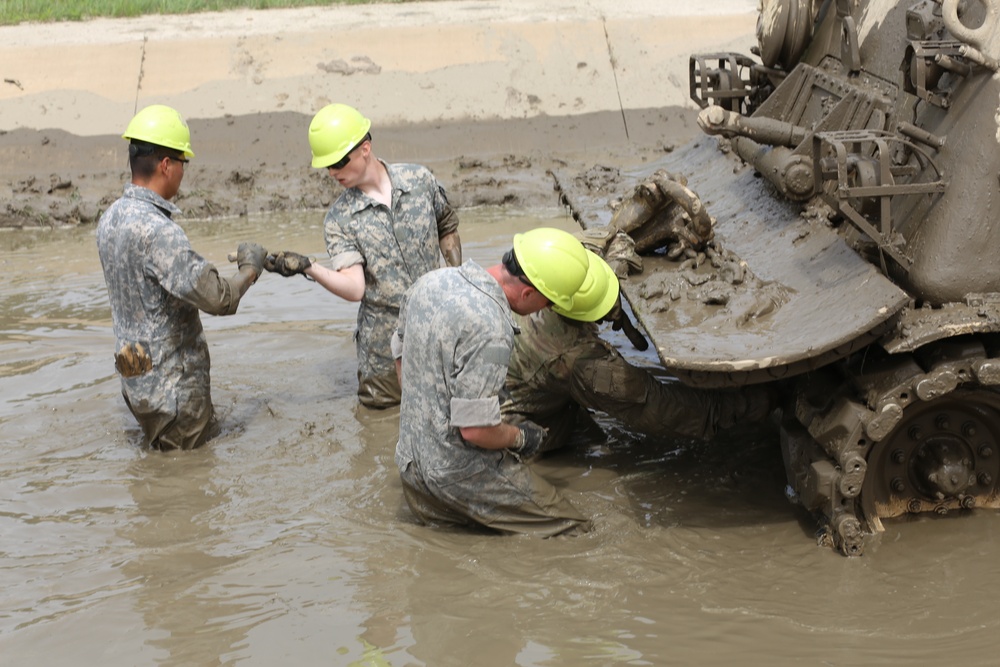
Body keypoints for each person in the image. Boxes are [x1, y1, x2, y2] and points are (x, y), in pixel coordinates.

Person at [391, 227, 608, 537]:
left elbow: (399, 353)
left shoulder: (431, 282)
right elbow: (476, 430)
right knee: (576, 531)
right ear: (529, 294)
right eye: (548, 304)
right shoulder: (492, 327)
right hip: (457, 475)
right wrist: (521, 437)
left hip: (411, 467)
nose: (545, 311)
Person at [266, 103, 462, 409]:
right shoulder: (340, 219)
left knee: (449, 407)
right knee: (380, 427)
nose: (333, 173)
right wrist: (310, 267)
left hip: (440, 328)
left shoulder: (419, 180)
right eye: (327, 167)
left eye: (340, 163)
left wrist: (459, 280)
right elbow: (355, 287)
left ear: (365, 148)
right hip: (384, 349)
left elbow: (447, 226)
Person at [96, 104, 267, 451]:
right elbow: (220, 298)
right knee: (188, 479)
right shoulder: (159, 232)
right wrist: (250, 269)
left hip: (136, 379)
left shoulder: (110, 219)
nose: (183, 173)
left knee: (160, 466)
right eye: (182, 164)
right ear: (166, 165)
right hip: (173, 392)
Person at [501, 261, 776, 453]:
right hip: (505, 426)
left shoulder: (545, 276)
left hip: (510, 381)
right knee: (573, 444)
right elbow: (656, 406)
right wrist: (759, 401)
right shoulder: (578, 361)